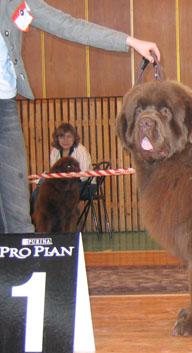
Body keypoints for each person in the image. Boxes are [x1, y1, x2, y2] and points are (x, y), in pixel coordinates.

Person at [0, 0, 160, 233]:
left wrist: (130, 41)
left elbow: (67, 25)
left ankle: (24, 268)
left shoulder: (16, 2)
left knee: (17, 212)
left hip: (5, 105)